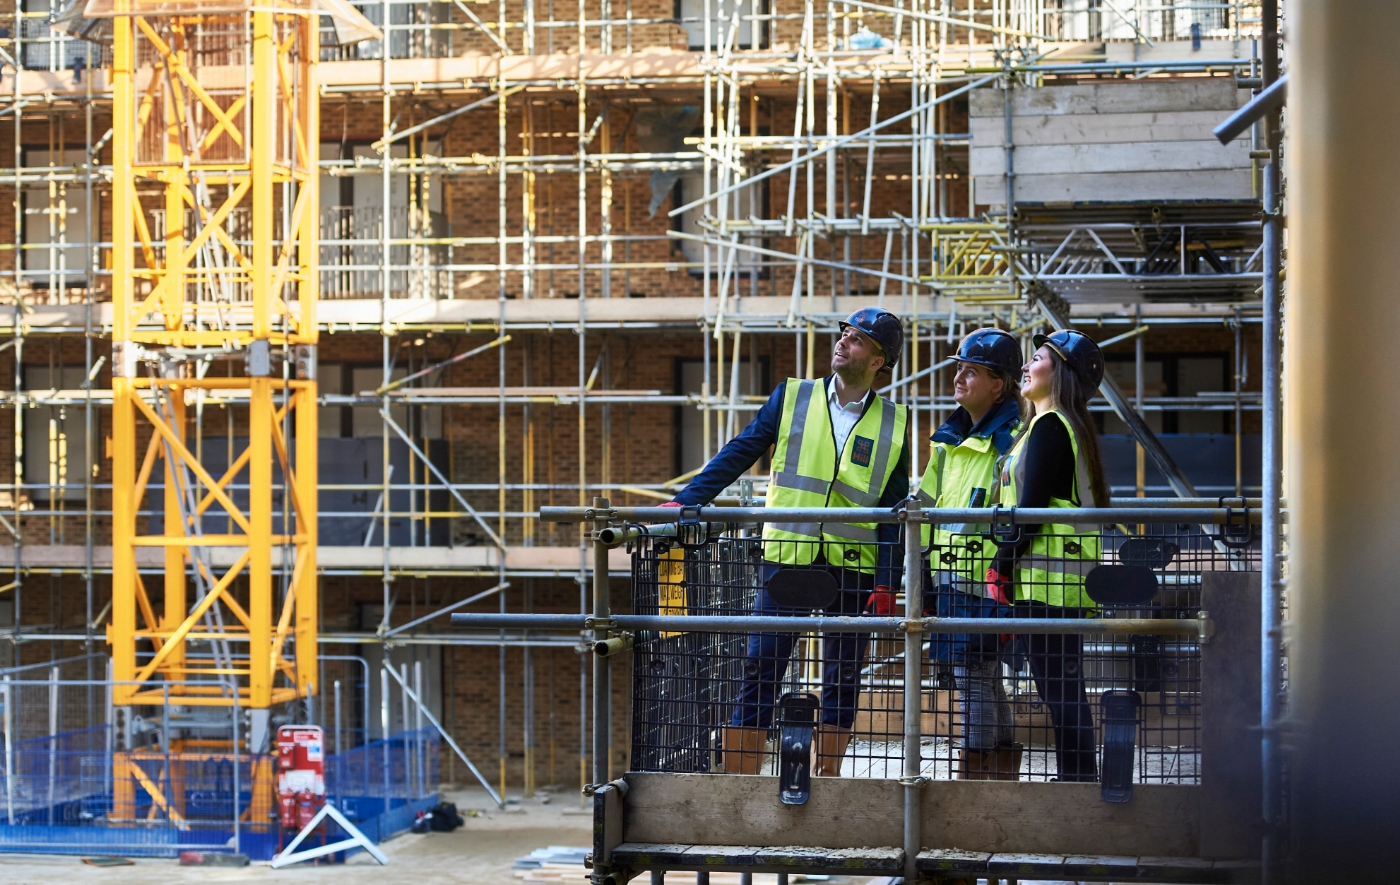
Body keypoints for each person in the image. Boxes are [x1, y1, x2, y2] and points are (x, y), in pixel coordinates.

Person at [666, 308, 909, 777]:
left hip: (854, 566)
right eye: (844, 334)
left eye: (857, 340)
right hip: (787, 558)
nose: (843, 343)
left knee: (843, 679)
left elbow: (893, 513)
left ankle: (828, 777)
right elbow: (742, 449)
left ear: (879, 361)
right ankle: (740, 781)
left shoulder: (894, 422)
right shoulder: (793, 395)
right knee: (761, 667)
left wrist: (887, 582)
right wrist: (685, 502)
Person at [990, 328, 1108, 782]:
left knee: (1059, 688)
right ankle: (1077, 779)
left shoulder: (1052, 426)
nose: (1024, 365)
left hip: (1047, 580)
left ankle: (1077, 783)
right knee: (1063, 686)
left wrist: (1001, 566)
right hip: (1057, 579)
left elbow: (1032, 509)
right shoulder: (1059, 427)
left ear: (1060, 372)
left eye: (1036, 357)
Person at [916, 329, 1023, 779]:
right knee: (983, 676)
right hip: (950, 579)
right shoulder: (949, 439)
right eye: (958, 368)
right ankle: (998, 773)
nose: (958, 377)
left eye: (971, 371)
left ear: (998, 384)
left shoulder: (1012, 437)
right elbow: (924, 507)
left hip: (988, 581)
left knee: (973, 675)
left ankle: (975, 779)